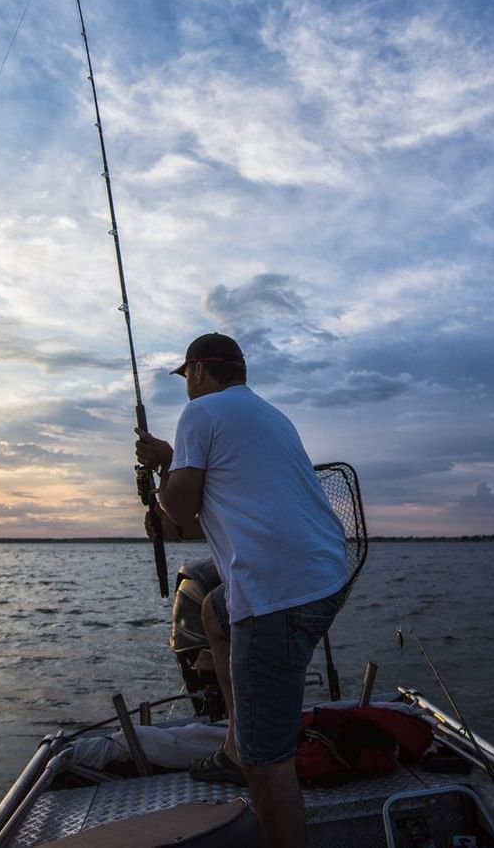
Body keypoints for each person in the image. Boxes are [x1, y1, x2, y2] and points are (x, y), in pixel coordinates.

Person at [135, 332, 349, 848]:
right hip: (324, 576)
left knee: (267, 763)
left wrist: (163, 473)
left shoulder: (200, 413)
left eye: (187, 376)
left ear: (199, 371)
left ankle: (250, 755)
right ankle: (236, 744)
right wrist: (170, 464)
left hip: (278, 593)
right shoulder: (269, 416)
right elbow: (207, 512)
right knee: (214, 610)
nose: (187, 386)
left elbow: (179, 510)